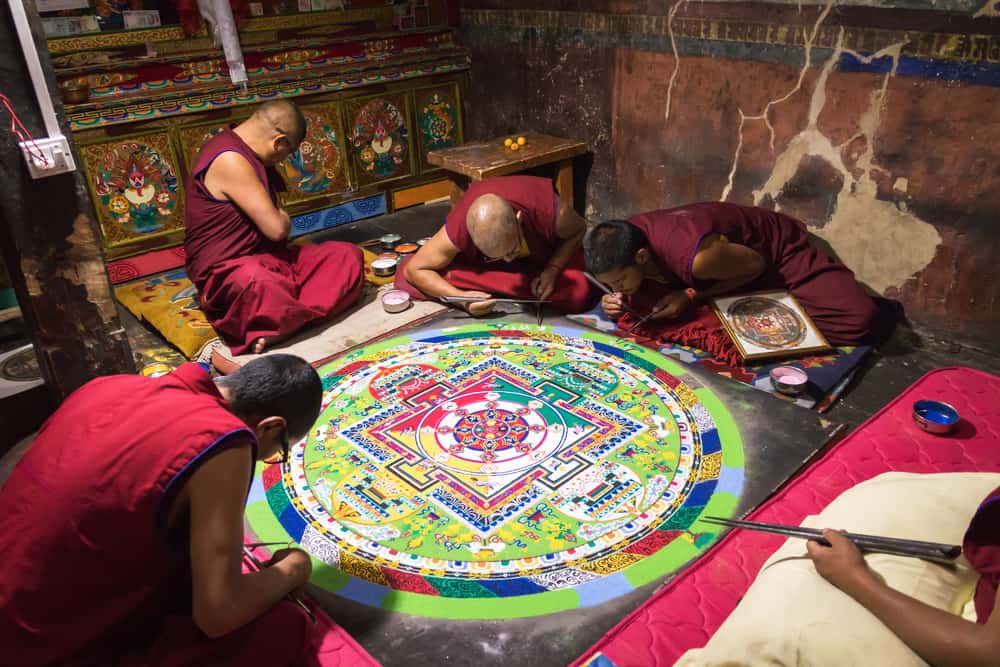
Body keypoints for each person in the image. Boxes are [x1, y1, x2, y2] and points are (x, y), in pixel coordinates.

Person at [0, 355, 322, 666]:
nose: (265, 458)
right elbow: (219, 614)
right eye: (277, 452)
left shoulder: (111, 384)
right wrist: (294, 568)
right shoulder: (224, 440)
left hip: (17, 602)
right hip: (37, 651)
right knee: (285, 629)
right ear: (269, 427)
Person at [184, 100, 363, 355]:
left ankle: (285, 322)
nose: (281, 160)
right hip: (231, 270)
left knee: (346, 256)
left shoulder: (241, 148)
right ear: (279, 143)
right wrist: (282, 216)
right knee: (258, 282)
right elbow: (277, 229)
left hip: (273, 259)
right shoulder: (231, 159)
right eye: (286, 153)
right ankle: (291, 316)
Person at [583, 202, 881, 347]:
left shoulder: (698, 259)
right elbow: (628, 286)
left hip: (774, 256)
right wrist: (617, 297)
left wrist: (691, 295)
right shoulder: (625, 238)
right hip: (722, 265)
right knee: (645, 310)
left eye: (619, 282)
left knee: (860, 319)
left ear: (642, 256)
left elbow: (757, 266)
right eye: (609, 284)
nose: (616, 288)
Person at [396, 175, 594, 316]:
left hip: (542, 264)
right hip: (494, 272)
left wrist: (552, 269)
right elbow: (415, 268)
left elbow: (578, 230)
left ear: (518, 219)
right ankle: (500, 288)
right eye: (499, 255)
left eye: (511, 250)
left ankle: (504, 288)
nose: (509, 259)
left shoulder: (551, 212)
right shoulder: (461, 224)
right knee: (407, 271)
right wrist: (463, 299)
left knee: (579, 290)